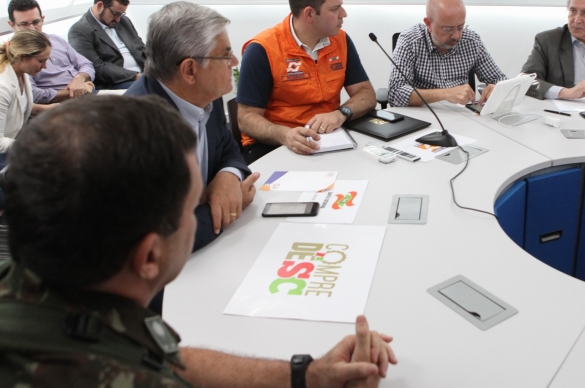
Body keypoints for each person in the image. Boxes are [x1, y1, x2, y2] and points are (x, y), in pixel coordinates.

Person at [0, 95, 397, 387]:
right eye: (197, 203)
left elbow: (157, 356)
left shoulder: (29, 282)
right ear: (150, 256)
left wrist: (307, 375)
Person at [127, 1, 259, 250]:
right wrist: (228, 208)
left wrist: (227, 177)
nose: (234, 61)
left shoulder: (207, 94)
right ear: (190, 70)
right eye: (225, 54)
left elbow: (229, 149)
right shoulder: (135, 130)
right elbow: (156, 239)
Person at [237, 0, 376, 161]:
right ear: (309, 14)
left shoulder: (340, 40)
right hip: (276, 145)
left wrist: (340, 113)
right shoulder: (263, 49)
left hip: (330, 139)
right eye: (335, 9)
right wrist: (285, 134)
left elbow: (366, 94)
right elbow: (246, 119)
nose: (344, 14)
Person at [387, 0, 507, 107]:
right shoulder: (410, 41)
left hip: (461, 114)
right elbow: (395, 93)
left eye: (460, 27)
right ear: (428, 24)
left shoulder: (471, 41)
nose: (457, 36)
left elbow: (500, 79)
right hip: (424, 112)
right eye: (448, 29)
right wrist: (444, 93)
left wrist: (498, 88)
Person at [7, 0, 95, 103]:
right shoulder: (17, 55)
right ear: (12, 25)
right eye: (24, 24)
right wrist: (73, 92)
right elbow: (32, 94)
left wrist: (79, 79)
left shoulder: (56, 40)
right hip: (60, 104)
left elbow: (87, 64)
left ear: (42, 19)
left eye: (36, 22)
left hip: (87, 92)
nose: (32, 29)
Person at [68, 0, 146, 90]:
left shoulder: (124, 21)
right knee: (151, 89)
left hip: (144, 74)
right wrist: (136, 76)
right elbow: (98, 68)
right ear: (100, 6)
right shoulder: (79, 31)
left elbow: (142, 49)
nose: (118, 19)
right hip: (116, 82)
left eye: (121, 14)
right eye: (115, 13)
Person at [0, 29, 55, 164]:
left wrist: (52, 109)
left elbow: (17, 107)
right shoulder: (2, 87)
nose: (45, 66)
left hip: (15, 139)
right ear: (21, 57)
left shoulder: (22, 73)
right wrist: (34, 146)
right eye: (41, 61)